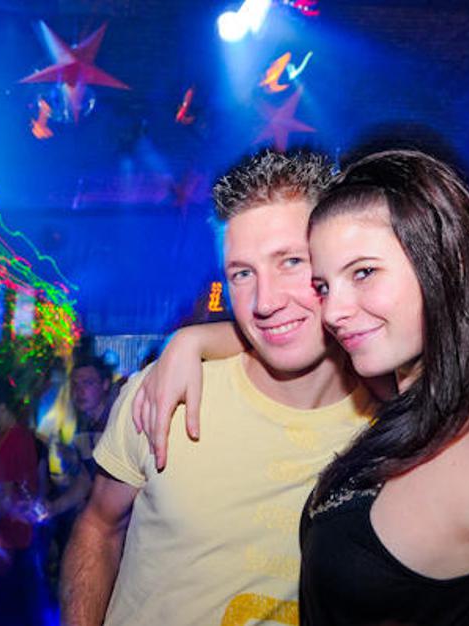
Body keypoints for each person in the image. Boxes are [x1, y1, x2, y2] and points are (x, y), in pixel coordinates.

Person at [137, 149, 469, 625]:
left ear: (446, 263)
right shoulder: (402, 391)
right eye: (324, 285)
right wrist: (192, 340)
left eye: (364, 272)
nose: (334, 311)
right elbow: (285, 330)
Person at [60, 149, 375, 626]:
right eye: (242, 273)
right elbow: (99, 526)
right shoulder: (163, 394)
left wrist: (195, 338)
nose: (264, 302)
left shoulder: (395, 424)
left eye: (291, 261)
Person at [0, 377, 49, 626]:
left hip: (11, 538)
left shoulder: (9, 442)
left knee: (7, 610)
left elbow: (3, 497)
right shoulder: (19, 436)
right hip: (22, 535)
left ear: (1, 406)